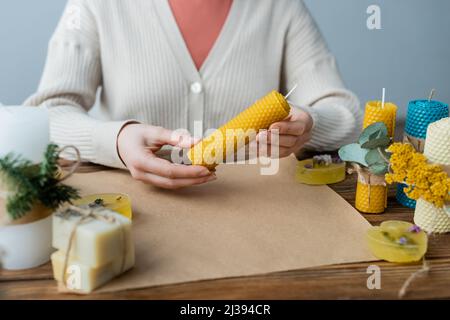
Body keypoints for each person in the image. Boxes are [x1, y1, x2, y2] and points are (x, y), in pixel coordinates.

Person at [25, 0, 362, 189]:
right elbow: (46, 116)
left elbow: (349, 117)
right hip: (135, 216)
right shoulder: (95, 6)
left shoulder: (282, 9)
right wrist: (117, 139)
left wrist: (309, 124)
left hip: (257, 214)